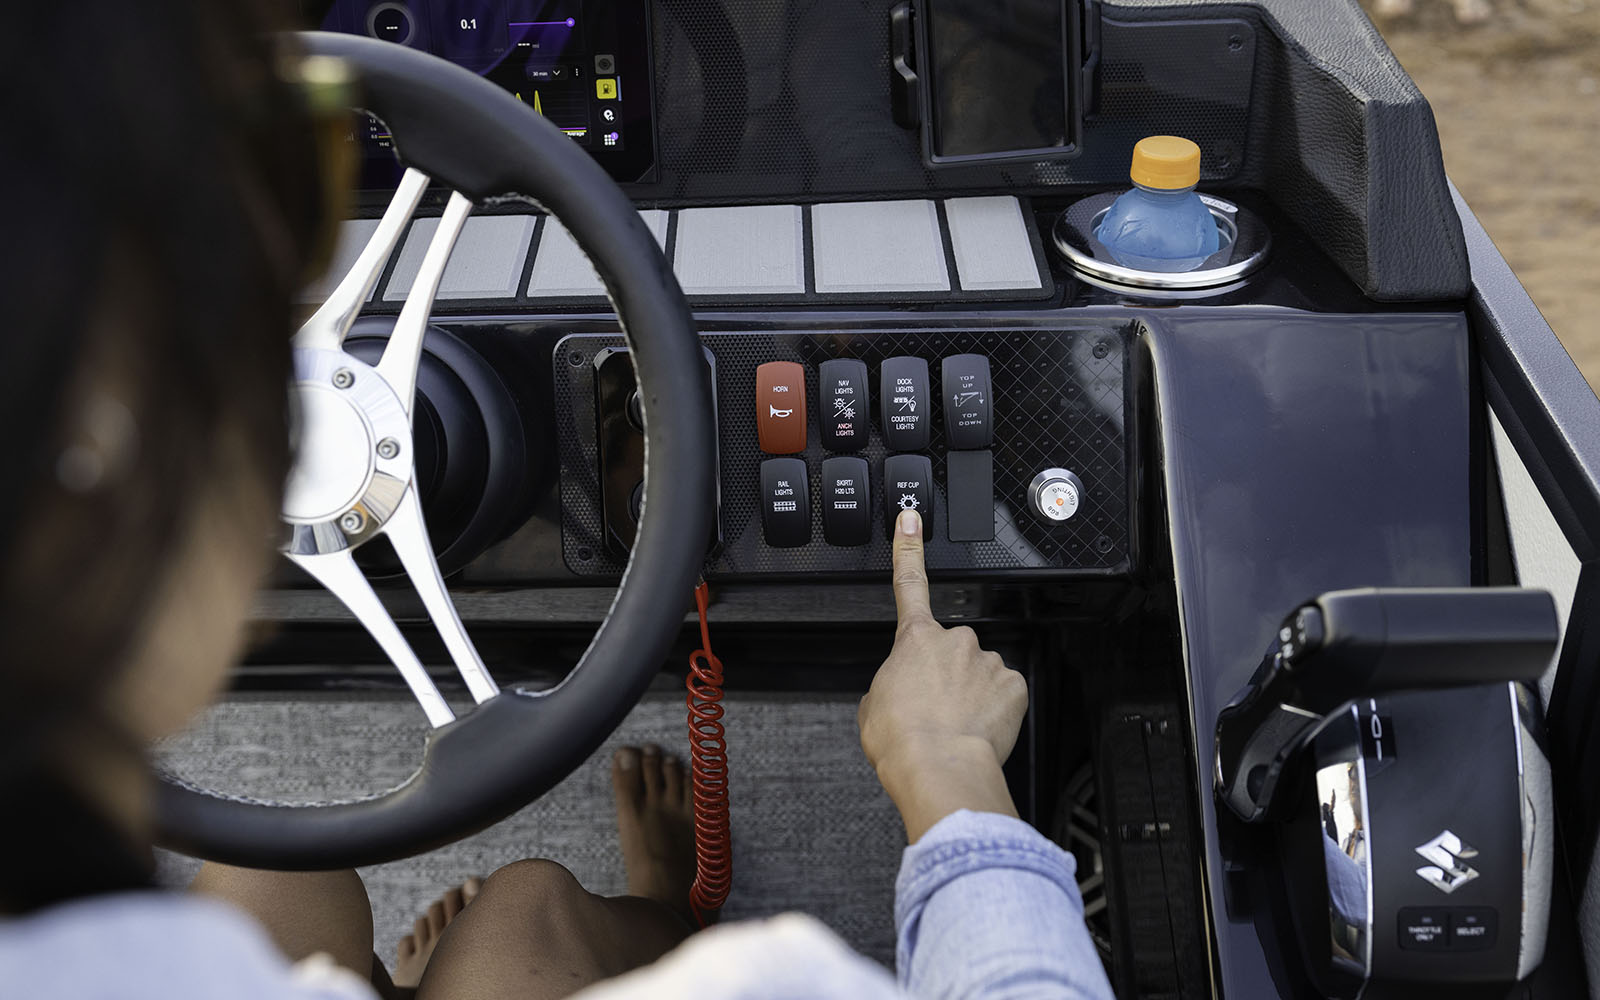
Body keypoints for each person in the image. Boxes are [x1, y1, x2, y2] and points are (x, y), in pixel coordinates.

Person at [0, 4, 1115, 999]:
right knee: (523, 906)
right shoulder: (765, 980)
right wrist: (949, 766)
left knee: (272, 869)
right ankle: (661, 914)